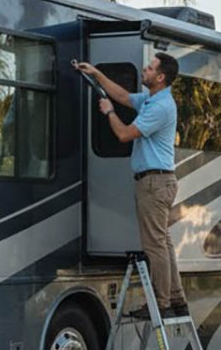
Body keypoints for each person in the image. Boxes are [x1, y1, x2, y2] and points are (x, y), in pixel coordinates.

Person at [74, 54, 187, 318]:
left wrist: (109, 112)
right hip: (158, 181)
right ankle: (176, 297)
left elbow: (124, 134)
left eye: (149, 68)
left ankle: (161, 303)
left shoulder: (161, 107)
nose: (144, 70)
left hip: (154, 183)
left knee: (155, 245)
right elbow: (124, 96)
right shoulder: (151, 99)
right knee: (163, 242)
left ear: (160, 77)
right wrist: (96, 74)